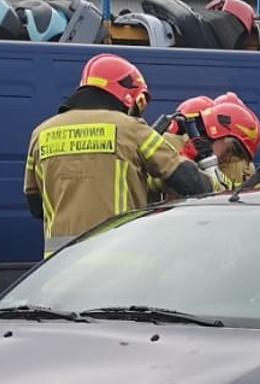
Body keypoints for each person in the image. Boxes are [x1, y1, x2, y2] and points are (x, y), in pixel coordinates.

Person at [24, 54, 211, 256]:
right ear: (129, 94)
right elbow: (188, 182)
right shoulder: (131, 129)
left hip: (59, 266)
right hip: (117, 260)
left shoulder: (41, 134)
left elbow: (36, 206)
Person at [199, 99, 260, 191]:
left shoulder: (244, 168)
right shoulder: (186, 155)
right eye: (229, 151)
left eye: (235, 155)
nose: (228, 158)